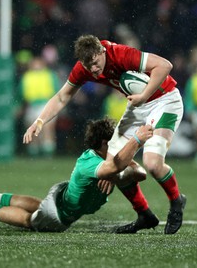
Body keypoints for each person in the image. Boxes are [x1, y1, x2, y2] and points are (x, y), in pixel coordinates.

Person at [23, 35, 186, 234]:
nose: (92, 69)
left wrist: (143, 96)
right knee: (112, 166)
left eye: (95, 62)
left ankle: (176, 201)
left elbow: (164, 65)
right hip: (138, 105)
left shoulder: (121, 54)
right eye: (87, 65)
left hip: (165, 100)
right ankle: (144, 214)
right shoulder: (85, 66)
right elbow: (62, 96)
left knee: (152, 163)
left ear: (101, 51)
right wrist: (39, 121)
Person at [0, 118, 155, 232]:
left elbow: (140, 173)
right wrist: (136, 143)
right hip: (59, 215)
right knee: (29, 220)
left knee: (39, 205)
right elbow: (117, 171)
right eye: (115, 140)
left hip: (63, 197)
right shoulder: (91, 163)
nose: (120, 143)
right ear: (104, 143)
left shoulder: (112, 158)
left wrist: (118, 173)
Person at [18, 56, 61, 157]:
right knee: (32, 130)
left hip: (46, 105)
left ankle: (48, 153)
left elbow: (57, 91)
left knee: (47, 128)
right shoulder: (27, 76)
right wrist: (20, 106)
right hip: (31, 105)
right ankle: (34, 152)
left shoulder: (50, 75)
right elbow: (21, 93)